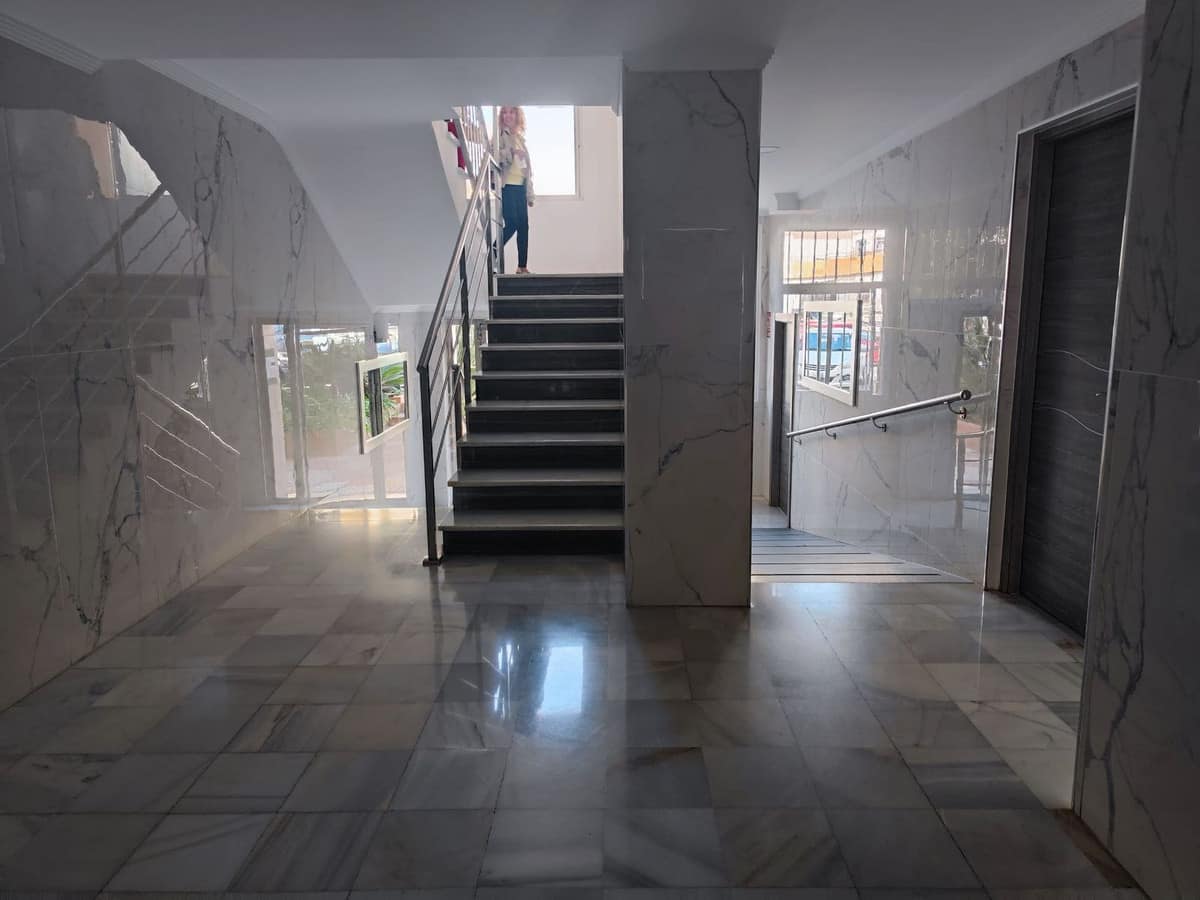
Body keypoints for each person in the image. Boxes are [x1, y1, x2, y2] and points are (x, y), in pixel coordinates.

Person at [497, 105, 534, 273]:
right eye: (504, 112)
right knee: (511, 224)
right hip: (507, 186)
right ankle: (493, 252)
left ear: (517, 115)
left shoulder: (520, 139)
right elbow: (494, 156)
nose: (508, 115)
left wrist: (530, 194)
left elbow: (527, 171)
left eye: (511, 112)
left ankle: (522, 267)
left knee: (524, 227)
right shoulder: (499, 135)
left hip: (520, 188)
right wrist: (511, 153)